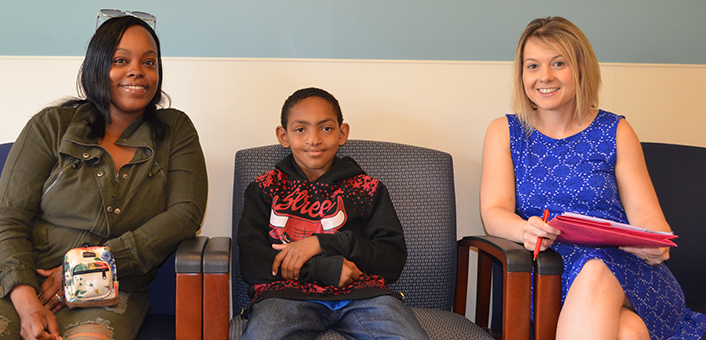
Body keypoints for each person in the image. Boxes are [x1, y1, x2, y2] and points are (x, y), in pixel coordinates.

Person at [0, 14, 208, 340]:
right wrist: (28, 301)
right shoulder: (52, 125)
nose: (137, 71)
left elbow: (184, 214)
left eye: (149, 62)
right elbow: (8, 217)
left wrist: (86, 266)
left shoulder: (175, 130)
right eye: (120, 60)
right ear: (96, 68)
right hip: (20, 281)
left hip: (110, 286)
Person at [480, 16, 706, 339]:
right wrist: (523, 229)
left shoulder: (616, 130)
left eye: (558, 63)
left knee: (597, 267)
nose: (544, 76)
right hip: (548, 275)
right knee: (629, 333)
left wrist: (655, 244)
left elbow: (649, 219)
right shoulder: (505, 132)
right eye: (532, 66)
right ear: (521, 74)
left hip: (624, 271)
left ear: (581, 69)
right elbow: (493, 212)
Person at [236, 87, 429, 339]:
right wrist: (323, 269)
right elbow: (252, 263)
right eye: (300, 129)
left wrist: (326, 242)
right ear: (284, 136)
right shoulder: (264, 188)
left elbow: (392, 261)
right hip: (285, 297)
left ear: (342, 133)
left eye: (325, 128)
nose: (313, 139)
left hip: (364, 296)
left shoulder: (368, 189)